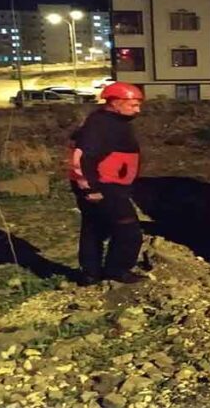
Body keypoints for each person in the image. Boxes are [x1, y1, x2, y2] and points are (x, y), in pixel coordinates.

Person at [67, 82, 148, 286]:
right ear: (115, 103)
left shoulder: (109, 122)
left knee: (94, 229)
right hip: (104, 187)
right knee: (129, 231)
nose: (138, 110)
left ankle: (90, 275)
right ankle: (117, 271)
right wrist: (91, 188)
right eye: (133, 105)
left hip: (107, 185)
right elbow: (81, 160)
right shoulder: (101, 126)